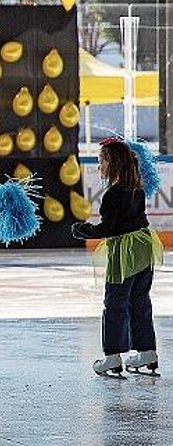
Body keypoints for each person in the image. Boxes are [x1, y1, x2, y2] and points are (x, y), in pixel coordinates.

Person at [74, 138, 162, 377]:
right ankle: (147, 352)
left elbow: (109, 229)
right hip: (144, 247)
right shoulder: (137, 188)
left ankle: (112, 357)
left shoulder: (113, 194)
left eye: (101, 160)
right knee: (140, 300)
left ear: (112, 162)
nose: (98, 165)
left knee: (114, 303)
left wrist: (83, 230)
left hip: (124, 252)